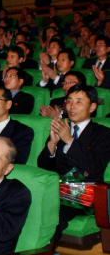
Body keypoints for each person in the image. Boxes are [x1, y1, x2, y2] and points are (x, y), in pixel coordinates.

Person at [38, 84, 110, 241]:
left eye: (79, 102)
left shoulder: (103, 133)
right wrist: (51, 144)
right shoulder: (61, 127)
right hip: (56, 188)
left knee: (52, 213)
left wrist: (69, 140)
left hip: (83, 192)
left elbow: (95, 167)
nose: (72, 106)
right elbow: (43, 167)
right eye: (69, 101)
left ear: (92, 107)